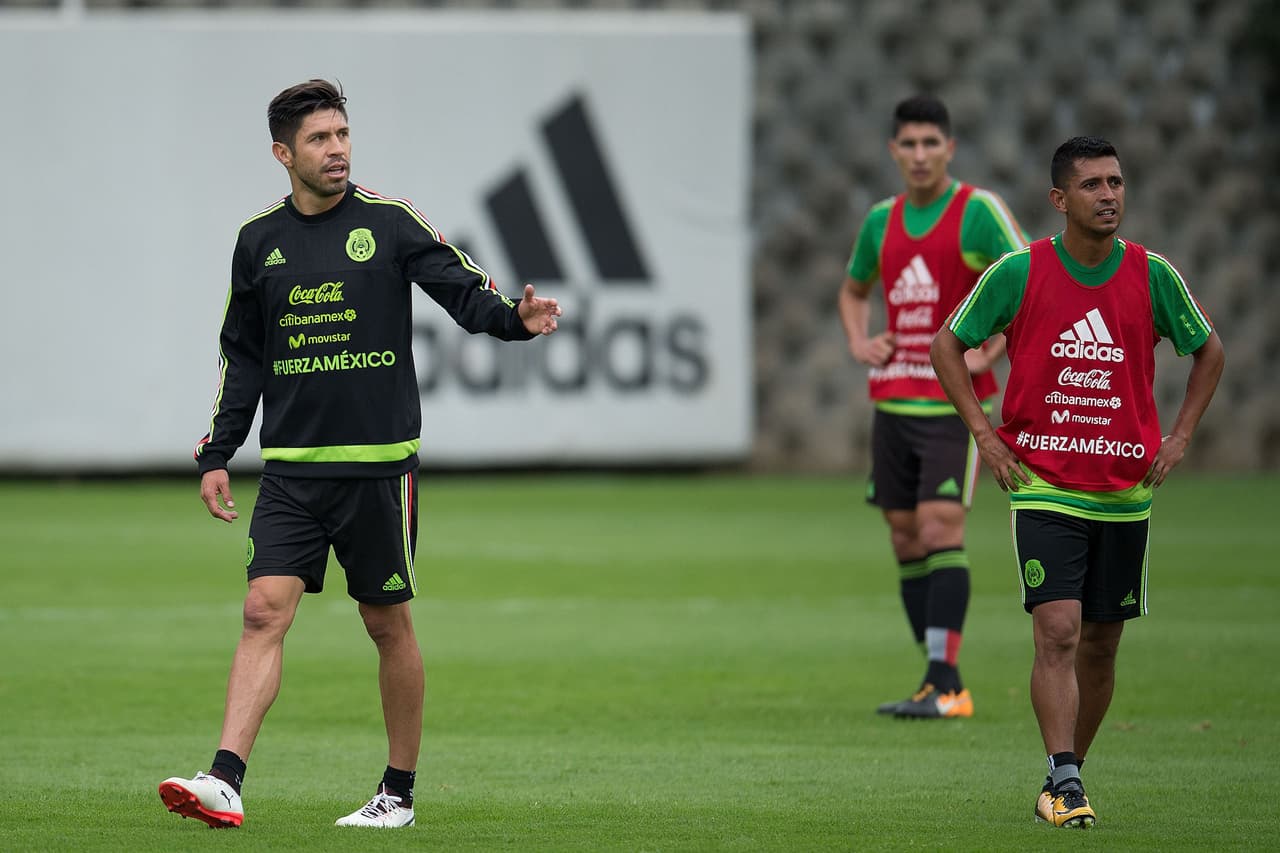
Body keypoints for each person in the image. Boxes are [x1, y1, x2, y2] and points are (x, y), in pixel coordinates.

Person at [158, 79, 562, 830]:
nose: (337, 149)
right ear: (283, 154)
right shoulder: (258, 242)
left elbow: (464, 293)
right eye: (319, 139)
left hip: (379, 469)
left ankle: (397, 793)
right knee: (260, 611)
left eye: (342, 134)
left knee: (387, 624)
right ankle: (225, 779)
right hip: (291, 471)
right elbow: (242, 356)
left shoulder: (390, 222)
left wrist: (516, 318)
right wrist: (219, 450)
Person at [931, 135, 1223, 827]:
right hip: (1043, 484)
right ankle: (1064, 778)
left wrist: (1180, 436)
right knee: (1057, 629)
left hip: (1124, 492)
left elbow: (1208, 348)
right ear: (1060, 200)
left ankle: (1066, 774)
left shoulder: (1152, 274)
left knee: (1101, 642)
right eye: (1092, 185)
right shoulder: (1018, 271)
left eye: (1116, 182)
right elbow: (949, 342)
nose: (1110, 195)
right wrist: (984, 433)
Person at [837, 94, 1028, 719]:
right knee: (904, 537)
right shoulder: (881, 221)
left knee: (940, 527)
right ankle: (935, 675)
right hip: (893, 402)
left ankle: (947, 684)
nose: (919, 155)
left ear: (949, 148)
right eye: (908, 145)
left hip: (953, 406)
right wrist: (861, 340)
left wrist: (992, 347)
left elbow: (1026, 279)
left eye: (930, 143)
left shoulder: (977, 212)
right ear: (894, 152)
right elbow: (853, 289)